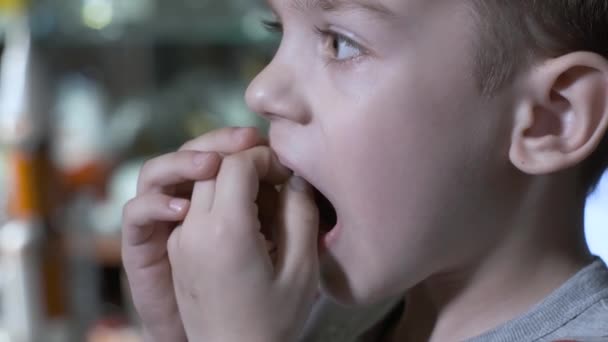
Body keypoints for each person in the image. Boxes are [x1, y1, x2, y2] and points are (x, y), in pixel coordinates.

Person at [121, 0, 608, 341]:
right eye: (277, 29)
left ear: (552, 117)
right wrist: (182, 330)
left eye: (341, 43)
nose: (261, 91)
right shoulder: (311, 317)